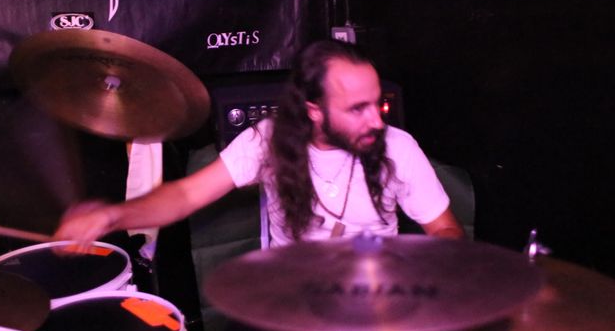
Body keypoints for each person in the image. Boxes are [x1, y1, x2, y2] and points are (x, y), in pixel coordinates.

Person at [56, 40, 464, 247]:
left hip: (376, 303)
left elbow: (445, 228)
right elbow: (184, 195)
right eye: (358, 108)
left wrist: (423, 270)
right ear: (314, 110)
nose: (376, 120)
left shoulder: (397, 147)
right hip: (291, 300)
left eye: (376, 103)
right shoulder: (268, 139)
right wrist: (113, 216)